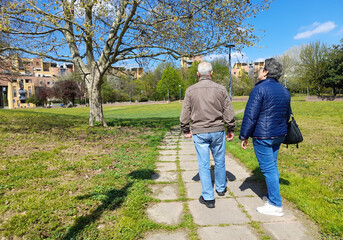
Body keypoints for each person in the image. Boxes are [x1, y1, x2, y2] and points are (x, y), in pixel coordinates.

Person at [180, 61, 236, 208]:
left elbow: (185, 113)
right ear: (211, 73)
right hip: (218, 130)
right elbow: (228, 112)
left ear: (198, 74)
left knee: (204, 165)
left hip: (199, 132)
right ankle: (221, 188)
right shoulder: (221, 89)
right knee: (220, 161)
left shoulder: (190, 90)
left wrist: (185, 129)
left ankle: (208, 197)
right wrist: (231, 128)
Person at [239, 58, 291, 217]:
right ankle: (271, 197)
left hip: (264, 136)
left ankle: (276, 204)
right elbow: (287, 114)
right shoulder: (284, 90)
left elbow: (250, 116)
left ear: (266, 72)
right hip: (279, 135)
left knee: (269, 169)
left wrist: (244, 136)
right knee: (272, 167)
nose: (257, 71)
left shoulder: (259, 89)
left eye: (260, 69)